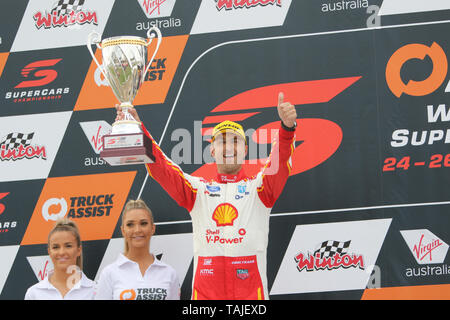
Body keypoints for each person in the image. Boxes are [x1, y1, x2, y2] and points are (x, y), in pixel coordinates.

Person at [115, 92, 297, 300]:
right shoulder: (197, 191)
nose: (229, 147)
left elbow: (280, 163)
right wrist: (138, 130)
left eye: (236, 141)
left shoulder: (259, 190)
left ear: (245, 149)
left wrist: (287, 130)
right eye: (222, 142)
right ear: (212, 151)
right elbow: (161, 167)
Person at [95, 199, 180, 300]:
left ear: (152, 228)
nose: (137, 230)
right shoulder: (109, 273)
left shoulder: (169, 273)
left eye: (143, 223)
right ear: (123, 230)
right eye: (130, 224)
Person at [24, 218, 95, 300]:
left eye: (68, 246)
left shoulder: (94, 290)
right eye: (56, 247)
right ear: (49, 252)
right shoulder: (34, 293)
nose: (61, 252)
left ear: (79, 250)